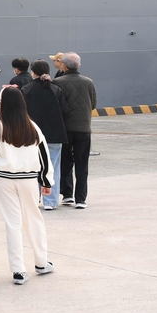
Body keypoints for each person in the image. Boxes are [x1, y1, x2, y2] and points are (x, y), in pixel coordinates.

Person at [0, 87, 54, 285]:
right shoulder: (32, 126)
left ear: (1, 104)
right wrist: (46, 181)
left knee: (13, 224)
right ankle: (41, 262)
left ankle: (18, 271)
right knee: (33, 219)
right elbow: (44, 155)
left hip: (4, 180)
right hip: (29, 179)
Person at [21, 60, 68, 211]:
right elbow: (64, 110)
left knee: (34, 168)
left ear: (33, 72)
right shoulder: (56, 89)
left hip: (32, 135)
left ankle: (34, 199)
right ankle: (50, 202)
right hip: (55, 134)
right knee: (53, 167)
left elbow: (22, 113)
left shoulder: (26, 89)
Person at [53, 52, 96, 209]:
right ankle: (81, 199)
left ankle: (67, 194)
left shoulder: (57, 82)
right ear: (79, 66)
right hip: (84, 128)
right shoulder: (89, 82)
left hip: (64, 129)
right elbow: (93, 104)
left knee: (65, 162)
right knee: (82, 164)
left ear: (63, 66)